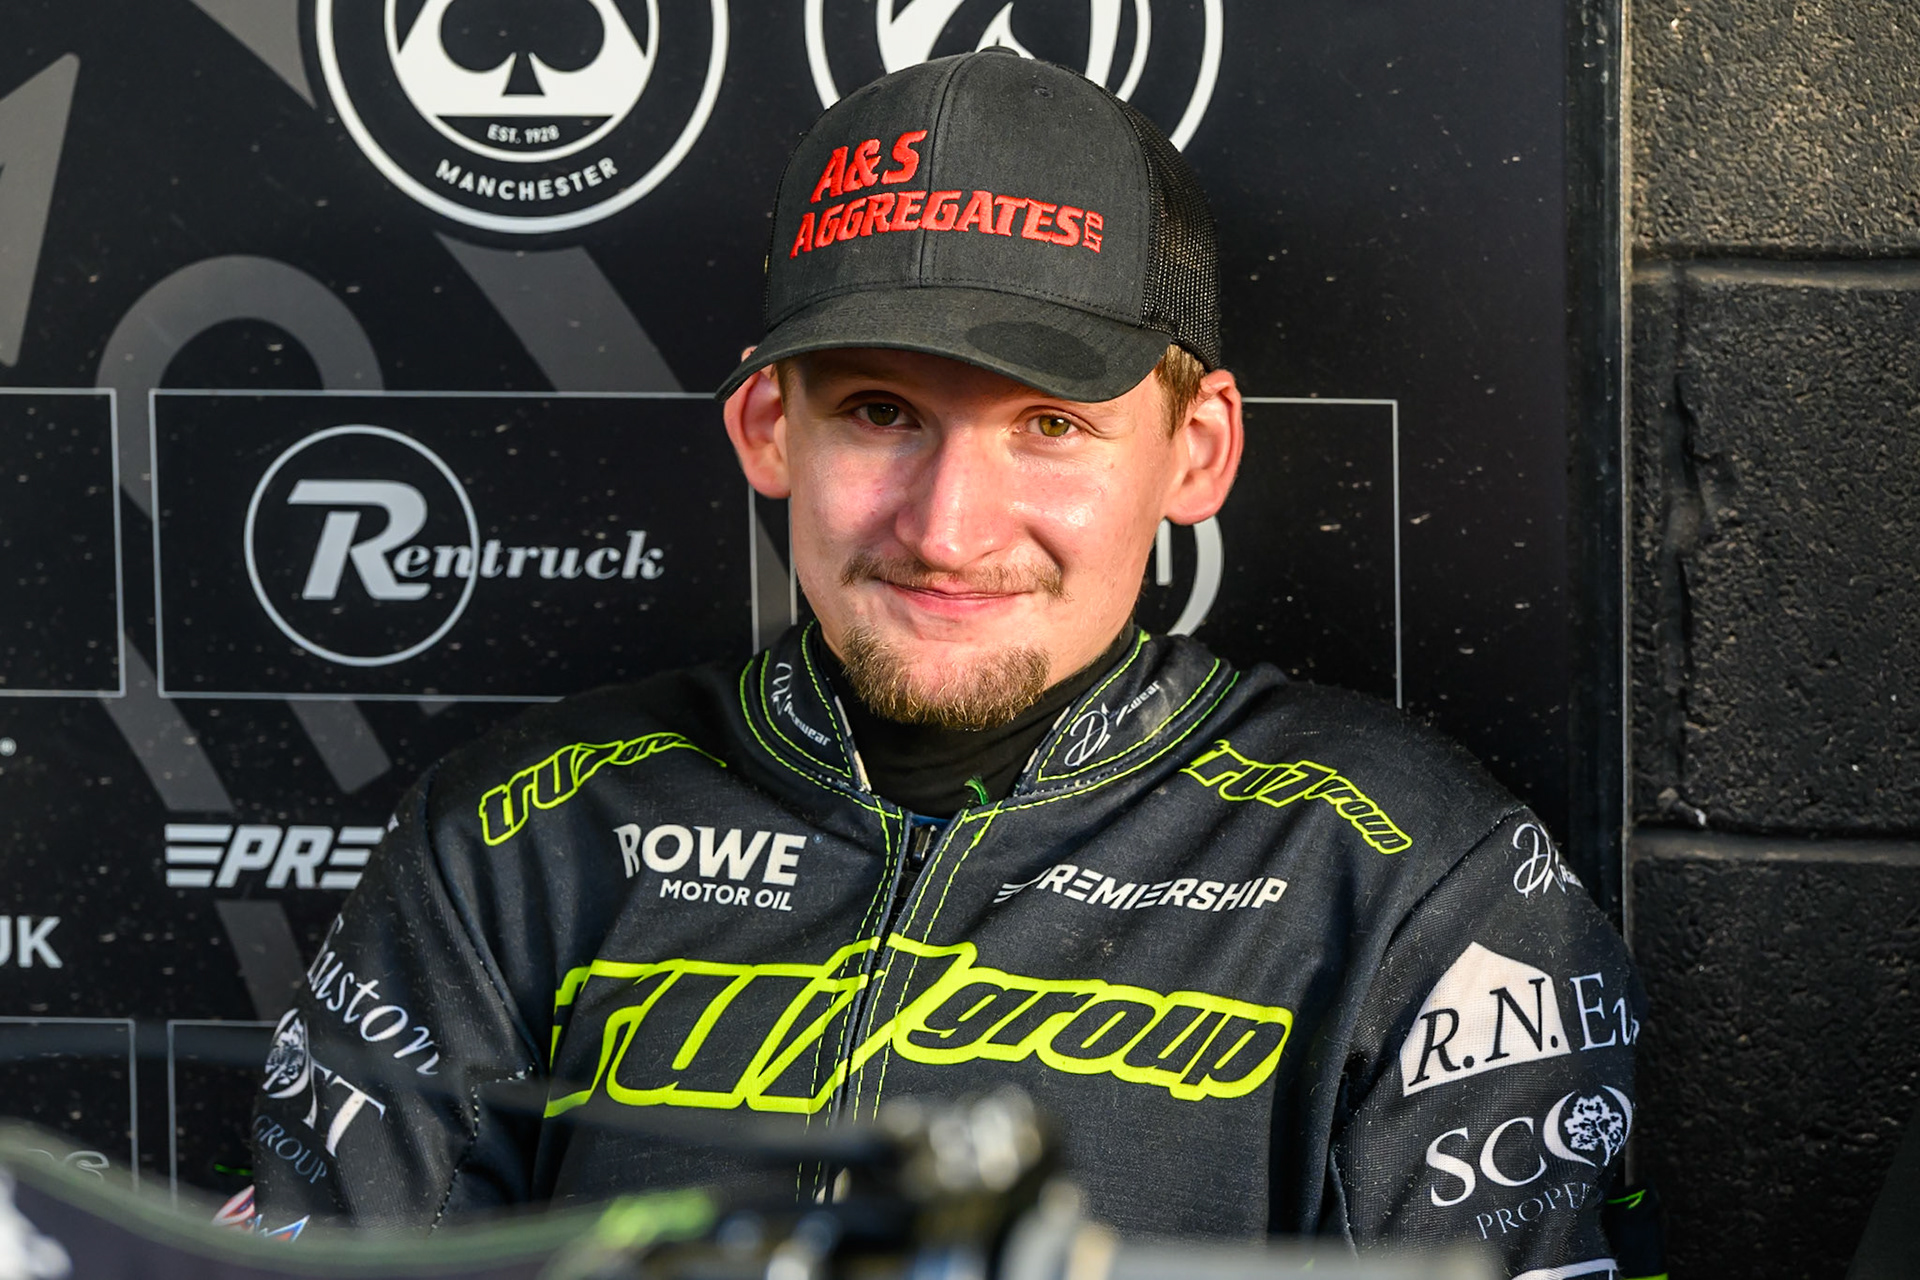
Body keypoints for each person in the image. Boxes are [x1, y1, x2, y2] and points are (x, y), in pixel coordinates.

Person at [251, 49, 1642, 1277]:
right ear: (765, 428)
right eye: (878, 410)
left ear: (1196, 451)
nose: (948, 528)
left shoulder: (1416, 883)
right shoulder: (518, 834)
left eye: (1050, 424)